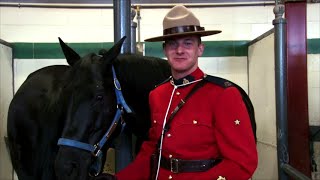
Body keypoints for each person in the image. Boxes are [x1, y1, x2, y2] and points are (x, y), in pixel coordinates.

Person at [96, 5, 258, 180]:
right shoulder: (157, 95)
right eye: (173, 44)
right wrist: (119, 178)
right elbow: (152, 151)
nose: (179, 50)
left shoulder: (223, 94)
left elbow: (242, 163)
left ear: (200, 49)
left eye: (188, 43)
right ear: (165, 49)